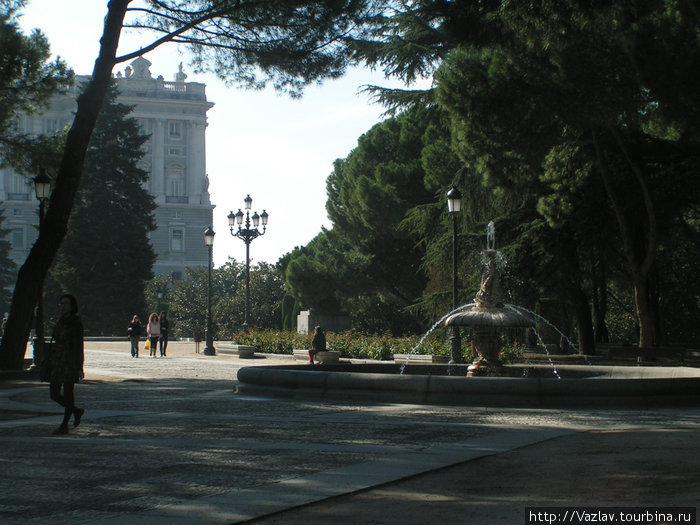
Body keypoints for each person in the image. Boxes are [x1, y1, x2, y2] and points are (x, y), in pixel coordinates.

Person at [45, 294, 84, 435]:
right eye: (61, 303)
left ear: (72, 306)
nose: (62, 306)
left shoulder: (76, 322)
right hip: (58, 361)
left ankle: (64, 425)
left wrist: (80, 365)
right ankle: (76, 410)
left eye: (65, 303)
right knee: (54, 394)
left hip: (70, 361)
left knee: (68, 394)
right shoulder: (61, 321)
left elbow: (79, 346)